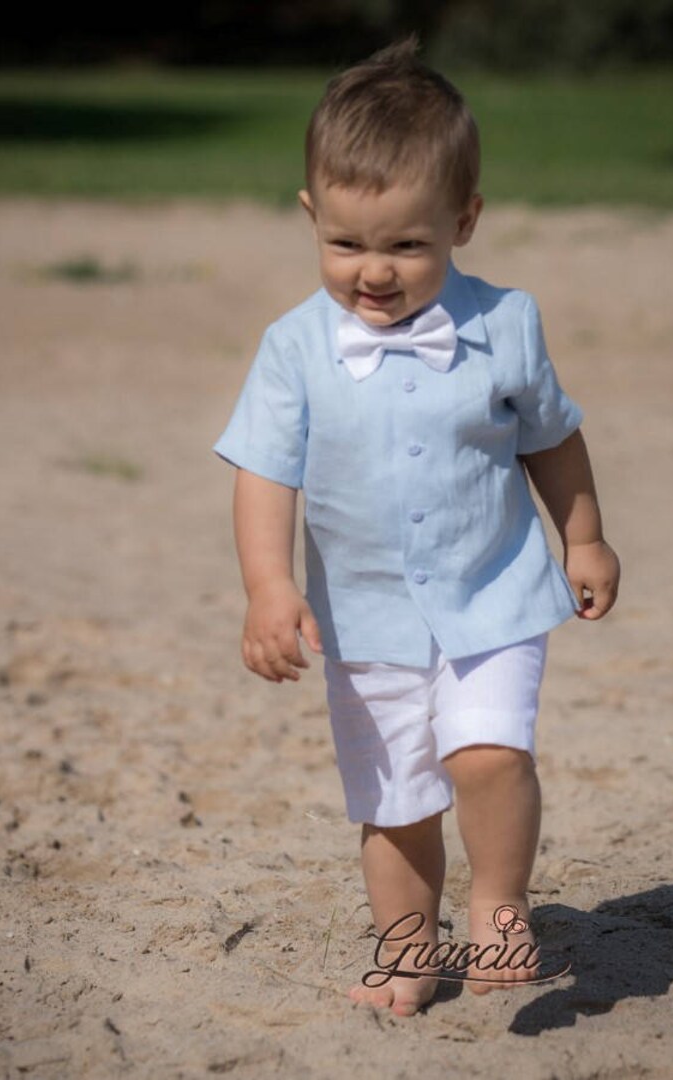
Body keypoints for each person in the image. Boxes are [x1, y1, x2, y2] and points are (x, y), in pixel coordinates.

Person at [214, 38, 620, 1017]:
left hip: (493, 591)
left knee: (486, 752)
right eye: (347, 245)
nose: (376, 274)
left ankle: (498, 907)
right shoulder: (293, 349)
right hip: (365, 619)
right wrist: (269, 590)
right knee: (393, 808)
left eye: (407, 246)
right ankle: (409, 952)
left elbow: (552, 440)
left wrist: (583, 537)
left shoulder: (504, 325)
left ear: (464, 221)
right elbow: (266, 478)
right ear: (312, 217)